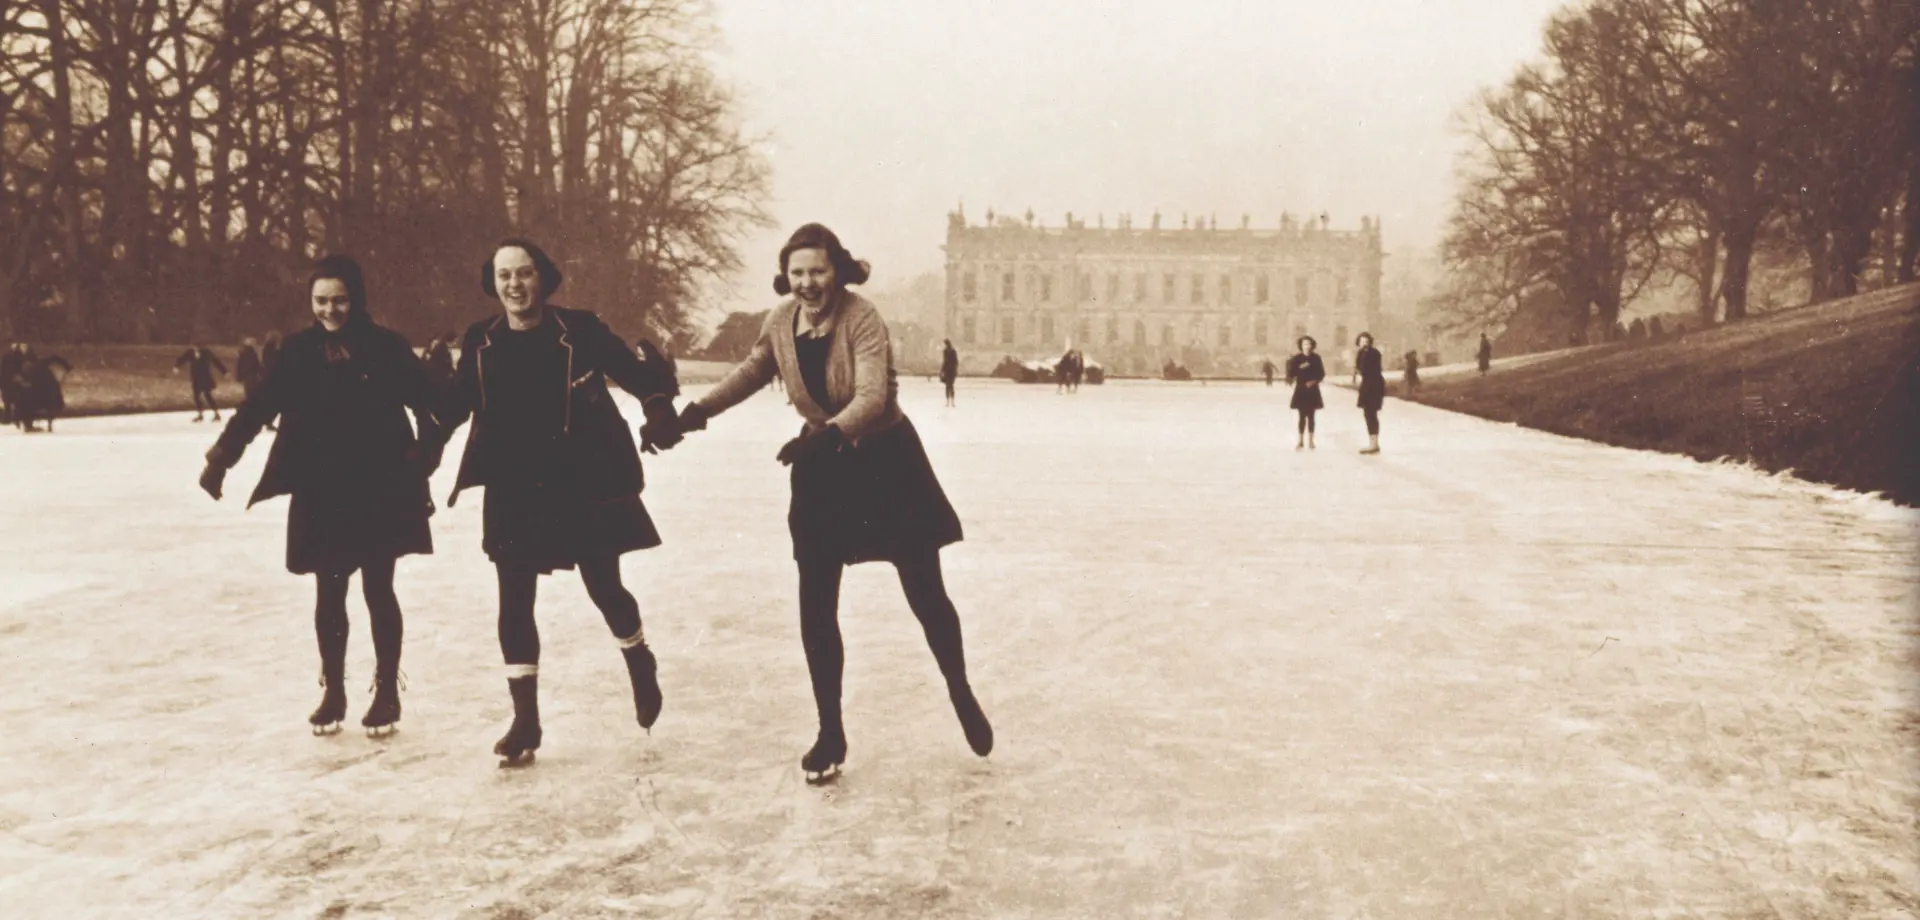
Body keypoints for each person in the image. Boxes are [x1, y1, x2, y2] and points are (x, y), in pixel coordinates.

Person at [665, 223, 992, 783]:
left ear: (837, 270)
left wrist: (823, 438)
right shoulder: (781, 321)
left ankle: (959, 688)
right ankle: (830, 732)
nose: (808, 283)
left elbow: (871, 396)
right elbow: (751, 372)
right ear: (786, 276)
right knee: (816, 601)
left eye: (817, 271)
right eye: (797, 273)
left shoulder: (862, 318)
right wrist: (695, 414)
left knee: (925, 591)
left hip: (886, 462)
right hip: (820, 469)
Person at [430, 238, 682, 767]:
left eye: (524, 274)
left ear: (542, 278)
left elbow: (637, 376)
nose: (515, 286)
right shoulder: (481, 341)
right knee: (514, 601)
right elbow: (453, 407)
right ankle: (526, 721)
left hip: (581, 481)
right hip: (513, 487)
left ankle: (639, 659)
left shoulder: (580, 331)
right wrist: (420, 451)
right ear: (493, 283)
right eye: (504, 277)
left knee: (605, 587)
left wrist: (657, 408)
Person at [197, 255, 443, 736]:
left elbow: (432, 405)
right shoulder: (297, 351)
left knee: (378, 590)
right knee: (329, 592)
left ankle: (387, 689)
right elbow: (258, 406)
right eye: (321, 301)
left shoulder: (386, 347)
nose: (331, 310)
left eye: (340, 300)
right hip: (322, 488)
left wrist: (422, 460)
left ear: (357, 298)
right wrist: (221, 457)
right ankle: (334, 690)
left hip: (380, 485)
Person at [17, 348, 71, 433]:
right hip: (47, 395)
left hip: (47, 395)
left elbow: (53, 358)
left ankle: (29, 425)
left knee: (24, 401)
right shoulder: (38, 367)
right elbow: (53, 357)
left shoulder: (35, 369)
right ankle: (32, 424)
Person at [1285, 336, 1325, 450]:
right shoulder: (1297, 358)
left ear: (1312, 345)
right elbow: (1291, 373)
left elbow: (1321, 373)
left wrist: (1313, 381)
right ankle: (1301, 440)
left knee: (1311, 416)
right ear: (1301, 346)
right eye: (1304, 344)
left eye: (1308, 344)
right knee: (1301, 416)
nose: (1307, 346)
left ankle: (1311, 441)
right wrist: (1294, 367)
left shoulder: (1316, 358)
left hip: (1312, 390)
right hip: (1301, 390)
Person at [1352, 332, 1385, 455]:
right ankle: (1372, 442)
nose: (1364, 343)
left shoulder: (1373, 353)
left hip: (1374, 385)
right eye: (1361, 341)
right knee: (1367, 413)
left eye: (1366, 341)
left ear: (1370, 342)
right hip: (1366, 385)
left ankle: (1374, 443)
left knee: (1371, 413)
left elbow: (1367, 369)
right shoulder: (1361, 353)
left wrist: (1359, 371)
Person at [175, 344, 228, 421]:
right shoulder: (190, 352)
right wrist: (177, 366)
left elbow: (216, 361)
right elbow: (182, 359)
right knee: (196, 396)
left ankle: (216, 413)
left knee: (207, 395)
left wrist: (224, 372)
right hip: (196, 378)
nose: (195, 348)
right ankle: (200, 414)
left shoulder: (206, 352)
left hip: (205, 377)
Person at [260, 331, 283, 430]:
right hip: (274, 377)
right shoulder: (272, 349)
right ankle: (268, 421)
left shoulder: (268, 348)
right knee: (277, 401)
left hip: (270, 376)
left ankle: (268, 420)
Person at [235, 337, 264, 406]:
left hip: (245, 375)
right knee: (253, 390)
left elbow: (239, 365)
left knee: (248, 391)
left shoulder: (242, 353)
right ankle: (253, 404)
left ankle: (250, 404)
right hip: (252, 375)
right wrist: (261, 372)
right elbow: (256, 364)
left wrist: (238, 376)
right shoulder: (253, 353)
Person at [939, 339, 959, 407]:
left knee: (948, 386)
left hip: (947, 371)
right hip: (952, 371)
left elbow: (945, 361)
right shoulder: (953, 351)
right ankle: (952, 402)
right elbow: (956, 362)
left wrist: (942, 370)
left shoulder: (945, 351)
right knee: (951, 386)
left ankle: (948, 402)